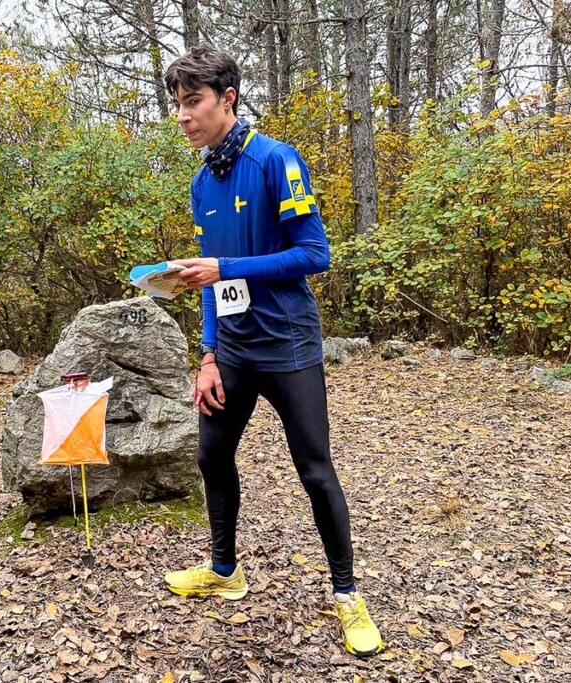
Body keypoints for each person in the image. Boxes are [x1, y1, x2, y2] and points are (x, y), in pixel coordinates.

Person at [160, 48, 383, 657]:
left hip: (287, 344)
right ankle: (225, 572)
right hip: (231, 348)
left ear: (227, 99)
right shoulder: (202, 180)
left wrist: (229, 266)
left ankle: (347, 595)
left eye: (193, 103)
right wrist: (207, 355)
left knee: (314, 469)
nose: (182, 117)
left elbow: (316, 254)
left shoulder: (277, 160)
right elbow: (209, 281)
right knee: (211, 456)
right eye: (177, 105)